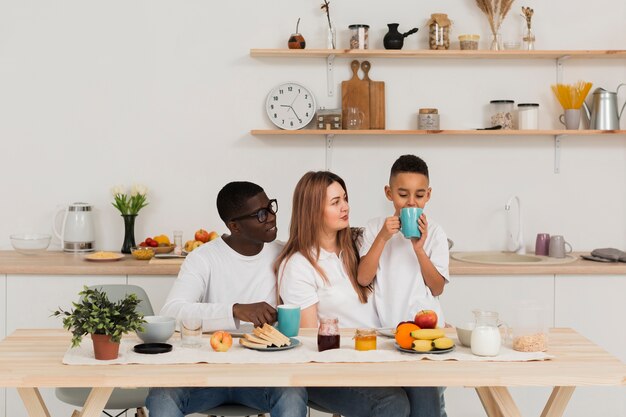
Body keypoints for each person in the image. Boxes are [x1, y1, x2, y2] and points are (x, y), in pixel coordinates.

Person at [146, 181, 307, 417]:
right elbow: (171, 311)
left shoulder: (285, 255)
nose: (271, 217)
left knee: (293, 394)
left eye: (270, 208)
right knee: (162, 396)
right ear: (235, 226)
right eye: (261, 214)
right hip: (206, 374)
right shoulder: (203, 258)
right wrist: (235, 310)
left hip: (263, 375)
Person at [275, 170, 410, 417]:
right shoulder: (299, 265)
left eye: (345, 199)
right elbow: (307, 340)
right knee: (393, 403)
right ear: (313, 211)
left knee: (425, 390)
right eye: (335, 202)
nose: (345, 207)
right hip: (326, 371)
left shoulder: (358, 245)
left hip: (377, 356)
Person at [357, 154, 450, 417]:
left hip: (425, 336)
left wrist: (419, 249)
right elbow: (363, 278)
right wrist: (383, 238)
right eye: (402, 194)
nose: (411, 202)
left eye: (419, 195)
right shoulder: (375, 228)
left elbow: (437, 288)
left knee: (428, 406)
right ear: (388, 193)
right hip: (387, 334)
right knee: (397, 404)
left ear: (428, 195)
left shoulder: (437, 233)